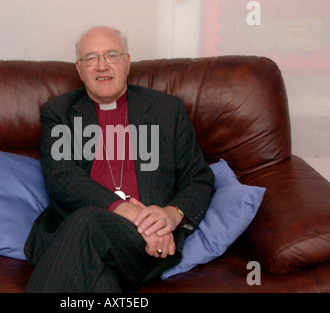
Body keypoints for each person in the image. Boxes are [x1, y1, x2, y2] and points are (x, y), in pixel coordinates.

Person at [24, 26, 215, 292]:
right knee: (102, 284)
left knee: (88, 222)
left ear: (127, 62)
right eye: (90, 58)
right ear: (79, 69)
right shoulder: (59, 113)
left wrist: (169, 217)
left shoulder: (167, 111)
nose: (101, 66)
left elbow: (198, 179)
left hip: (145, 243)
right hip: (74, 238)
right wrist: (131, 212)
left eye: (111, 55)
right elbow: (62, 178)